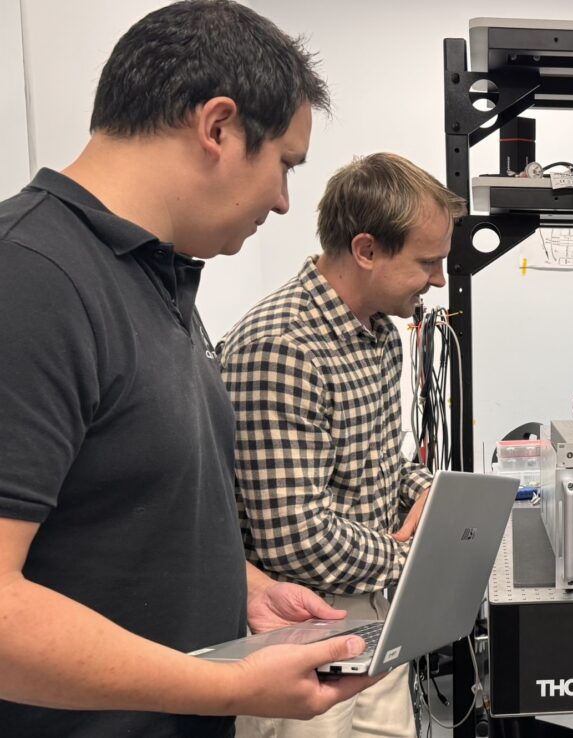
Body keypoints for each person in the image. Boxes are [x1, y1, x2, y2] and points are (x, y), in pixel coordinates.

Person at [0, 3, 380, 736]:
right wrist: (228, 683)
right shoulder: (30, 279)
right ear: (218, 127)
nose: (281, 200)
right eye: (284, 166)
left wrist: (238, 588)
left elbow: (112, 518)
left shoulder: (155, 277)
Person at [219, 152, 466, 738]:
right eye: (427, 263)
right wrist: (419, 558)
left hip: (372, 607)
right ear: (366, 250)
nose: (438, 280)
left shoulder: (380, 335)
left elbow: (378, 468)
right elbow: (296, 537)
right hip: (298, 625)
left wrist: (439, 499)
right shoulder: (283, 347)